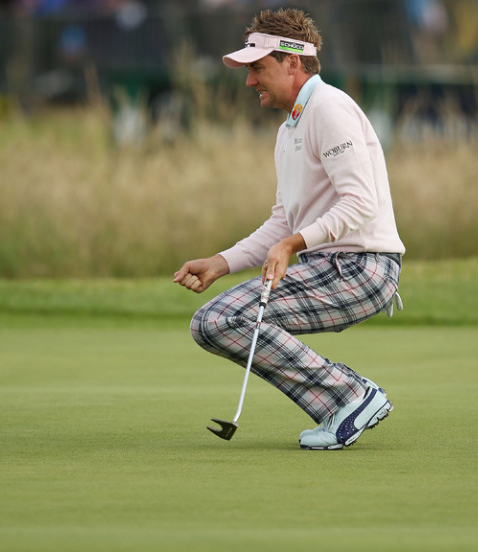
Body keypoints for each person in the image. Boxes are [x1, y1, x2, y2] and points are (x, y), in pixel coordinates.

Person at [173, 7, 406, 450]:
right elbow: (283, 220)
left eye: (258, 68)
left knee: (222, 318)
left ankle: (349, 396)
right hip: (334, 267)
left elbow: (359, 202)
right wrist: (221, 263)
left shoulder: (330, 108)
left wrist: (293, 244)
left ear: (293, 62)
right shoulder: (291, 129)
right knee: (212, 323)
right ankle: (345, 398)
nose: (249, 81)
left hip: (363, 268)